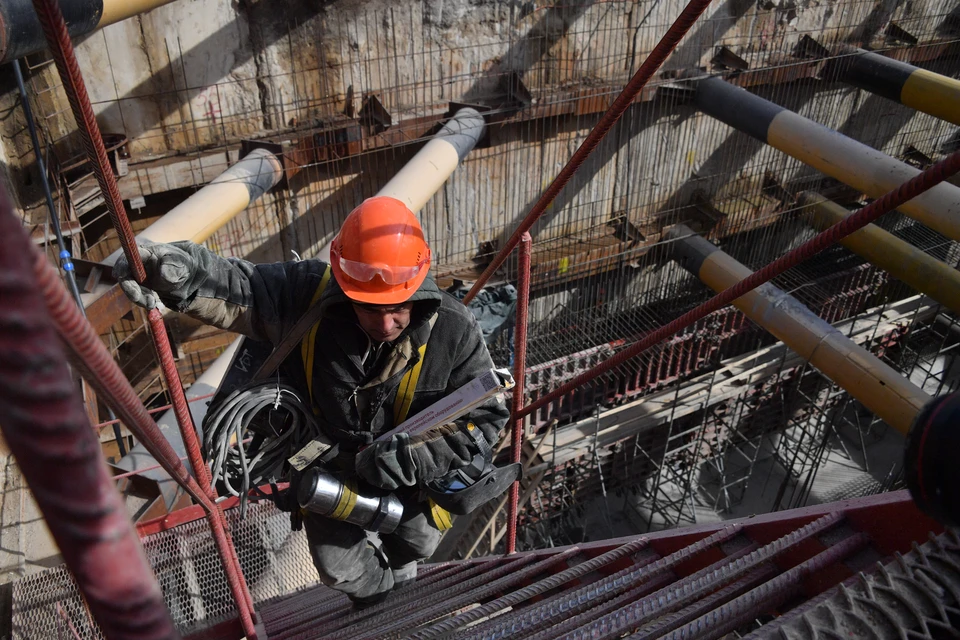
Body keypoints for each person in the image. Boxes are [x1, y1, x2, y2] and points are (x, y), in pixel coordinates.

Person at [114, 196, 509, 606]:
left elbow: (484, 417)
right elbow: (241, 285)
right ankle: (380, 608)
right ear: (345, 285)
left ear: (418, 284)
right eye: (370, 309)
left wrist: (412, 457)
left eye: (398, 308)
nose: (386, 324)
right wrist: (178, 272)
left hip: (411, 474)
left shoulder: (454, 331)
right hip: (331, 462)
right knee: (342, 570)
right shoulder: (307, 295)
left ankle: (405, 574)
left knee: (419, 540)